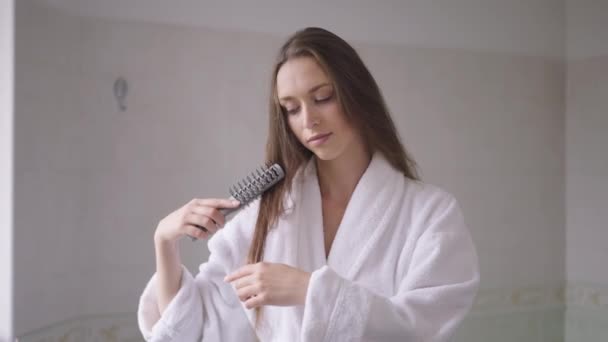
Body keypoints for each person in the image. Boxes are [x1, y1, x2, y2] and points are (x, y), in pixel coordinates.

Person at [137, 27, 479, 342]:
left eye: (323, 97)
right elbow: (192, 326)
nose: (308, 120)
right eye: (291, 108)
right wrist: (164, 241)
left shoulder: (430, 214)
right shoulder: (267, 213)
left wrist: (308, 290)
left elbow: (422, 327)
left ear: (356, 95)